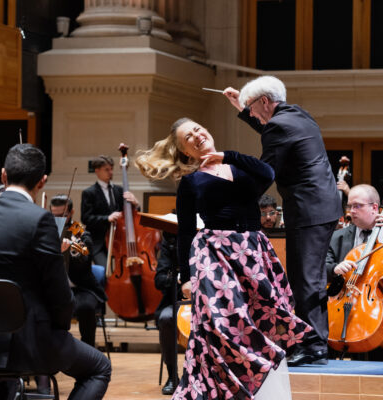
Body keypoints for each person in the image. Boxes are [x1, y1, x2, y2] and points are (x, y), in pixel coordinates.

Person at [136, 118, 311, 400]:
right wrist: (186, 278)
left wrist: (226, 155)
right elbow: (184, 233)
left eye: (197, 129)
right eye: (187, 137)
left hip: (253, 250)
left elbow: (267, 173)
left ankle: (263, 388)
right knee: (226, 323)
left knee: (261, 318)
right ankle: (225, 389)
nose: (196, 135)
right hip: (215, 254)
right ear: (185, 152)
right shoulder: (190, 182)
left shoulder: (238, 165)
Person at [224, 76, 342, 366]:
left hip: (309, 209)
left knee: (306, 279)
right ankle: (313, 341)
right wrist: (241, 107)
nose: (251, 114)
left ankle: (314, 345)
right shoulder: (299, 114)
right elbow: (271, 128)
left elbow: (265, 171)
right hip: (321, 206)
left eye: (251, 107)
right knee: (307, 276)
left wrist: (232, 198)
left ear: (265, 101)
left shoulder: (279, 126)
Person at [0, 144, 111, 400]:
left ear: (4, 175)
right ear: (42, 182)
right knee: (99, 368)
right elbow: (60, 296)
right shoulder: (39, 219)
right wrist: (60, 328)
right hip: (29, 342)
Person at [50, 194, 108, 348]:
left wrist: (72, 249)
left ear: (71, 213)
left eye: (62, 215)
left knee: (86, 307)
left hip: (81, 288)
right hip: (55, 288)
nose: (58, 220)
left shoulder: (80, 233)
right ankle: (51, 351)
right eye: (53, 215)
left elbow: (85, 260)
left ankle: (88, 349)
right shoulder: (46, 231)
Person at [81, 155, 139, 268]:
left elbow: (131, 214)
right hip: (99, 242)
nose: (110, 172)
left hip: (119, 240)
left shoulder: (119, 190)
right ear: (97, 171)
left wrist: (136, 204)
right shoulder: (89, 193)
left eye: (111, 169)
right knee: (104, 270)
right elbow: (86, 218)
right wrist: (107, 218)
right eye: (107, 169)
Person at [326, 184, 380, 286]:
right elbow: (320, 268)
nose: (351, 211)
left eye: (357, 206)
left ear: (374, 207)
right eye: (349, 206)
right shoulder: (335, 238)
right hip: (345, 296)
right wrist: (334, 269)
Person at [154, 231, 181, 395]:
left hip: (206, 302)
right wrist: (177, 278)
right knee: (165, 318)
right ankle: (172, 375)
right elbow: (159, 279)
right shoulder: (171, 239)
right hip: (175, 300)